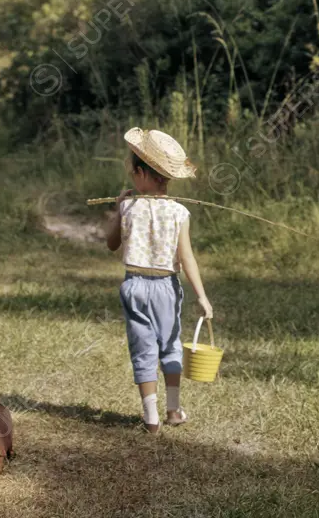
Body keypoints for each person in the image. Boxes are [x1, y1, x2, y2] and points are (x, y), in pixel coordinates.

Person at [105, 127, 213, 433]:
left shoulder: (128, 207)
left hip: (134, 286)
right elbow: (187, 258)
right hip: (166, 288)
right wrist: (202, 296)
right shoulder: (179, 213)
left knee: (143, 348)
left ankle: (150, 416)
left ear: (140, 173)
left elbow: (112, 244)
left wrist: (117, 210)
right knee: (169, 346)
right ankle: (173, 409)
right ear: (167, 178)